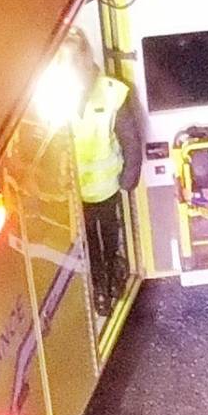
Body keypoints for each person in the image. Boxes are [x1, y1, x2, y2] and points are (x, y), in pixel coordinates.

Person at [70, 53, 144, 323]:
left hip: (104, 186)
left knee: (106, 235)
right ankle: (103, 284)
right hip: (76, 192)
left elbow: (130, 139)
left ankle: (110, 279)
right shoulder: (53, 95)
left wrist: (129, 178)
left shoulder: (111, 93)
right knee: (93, 239)